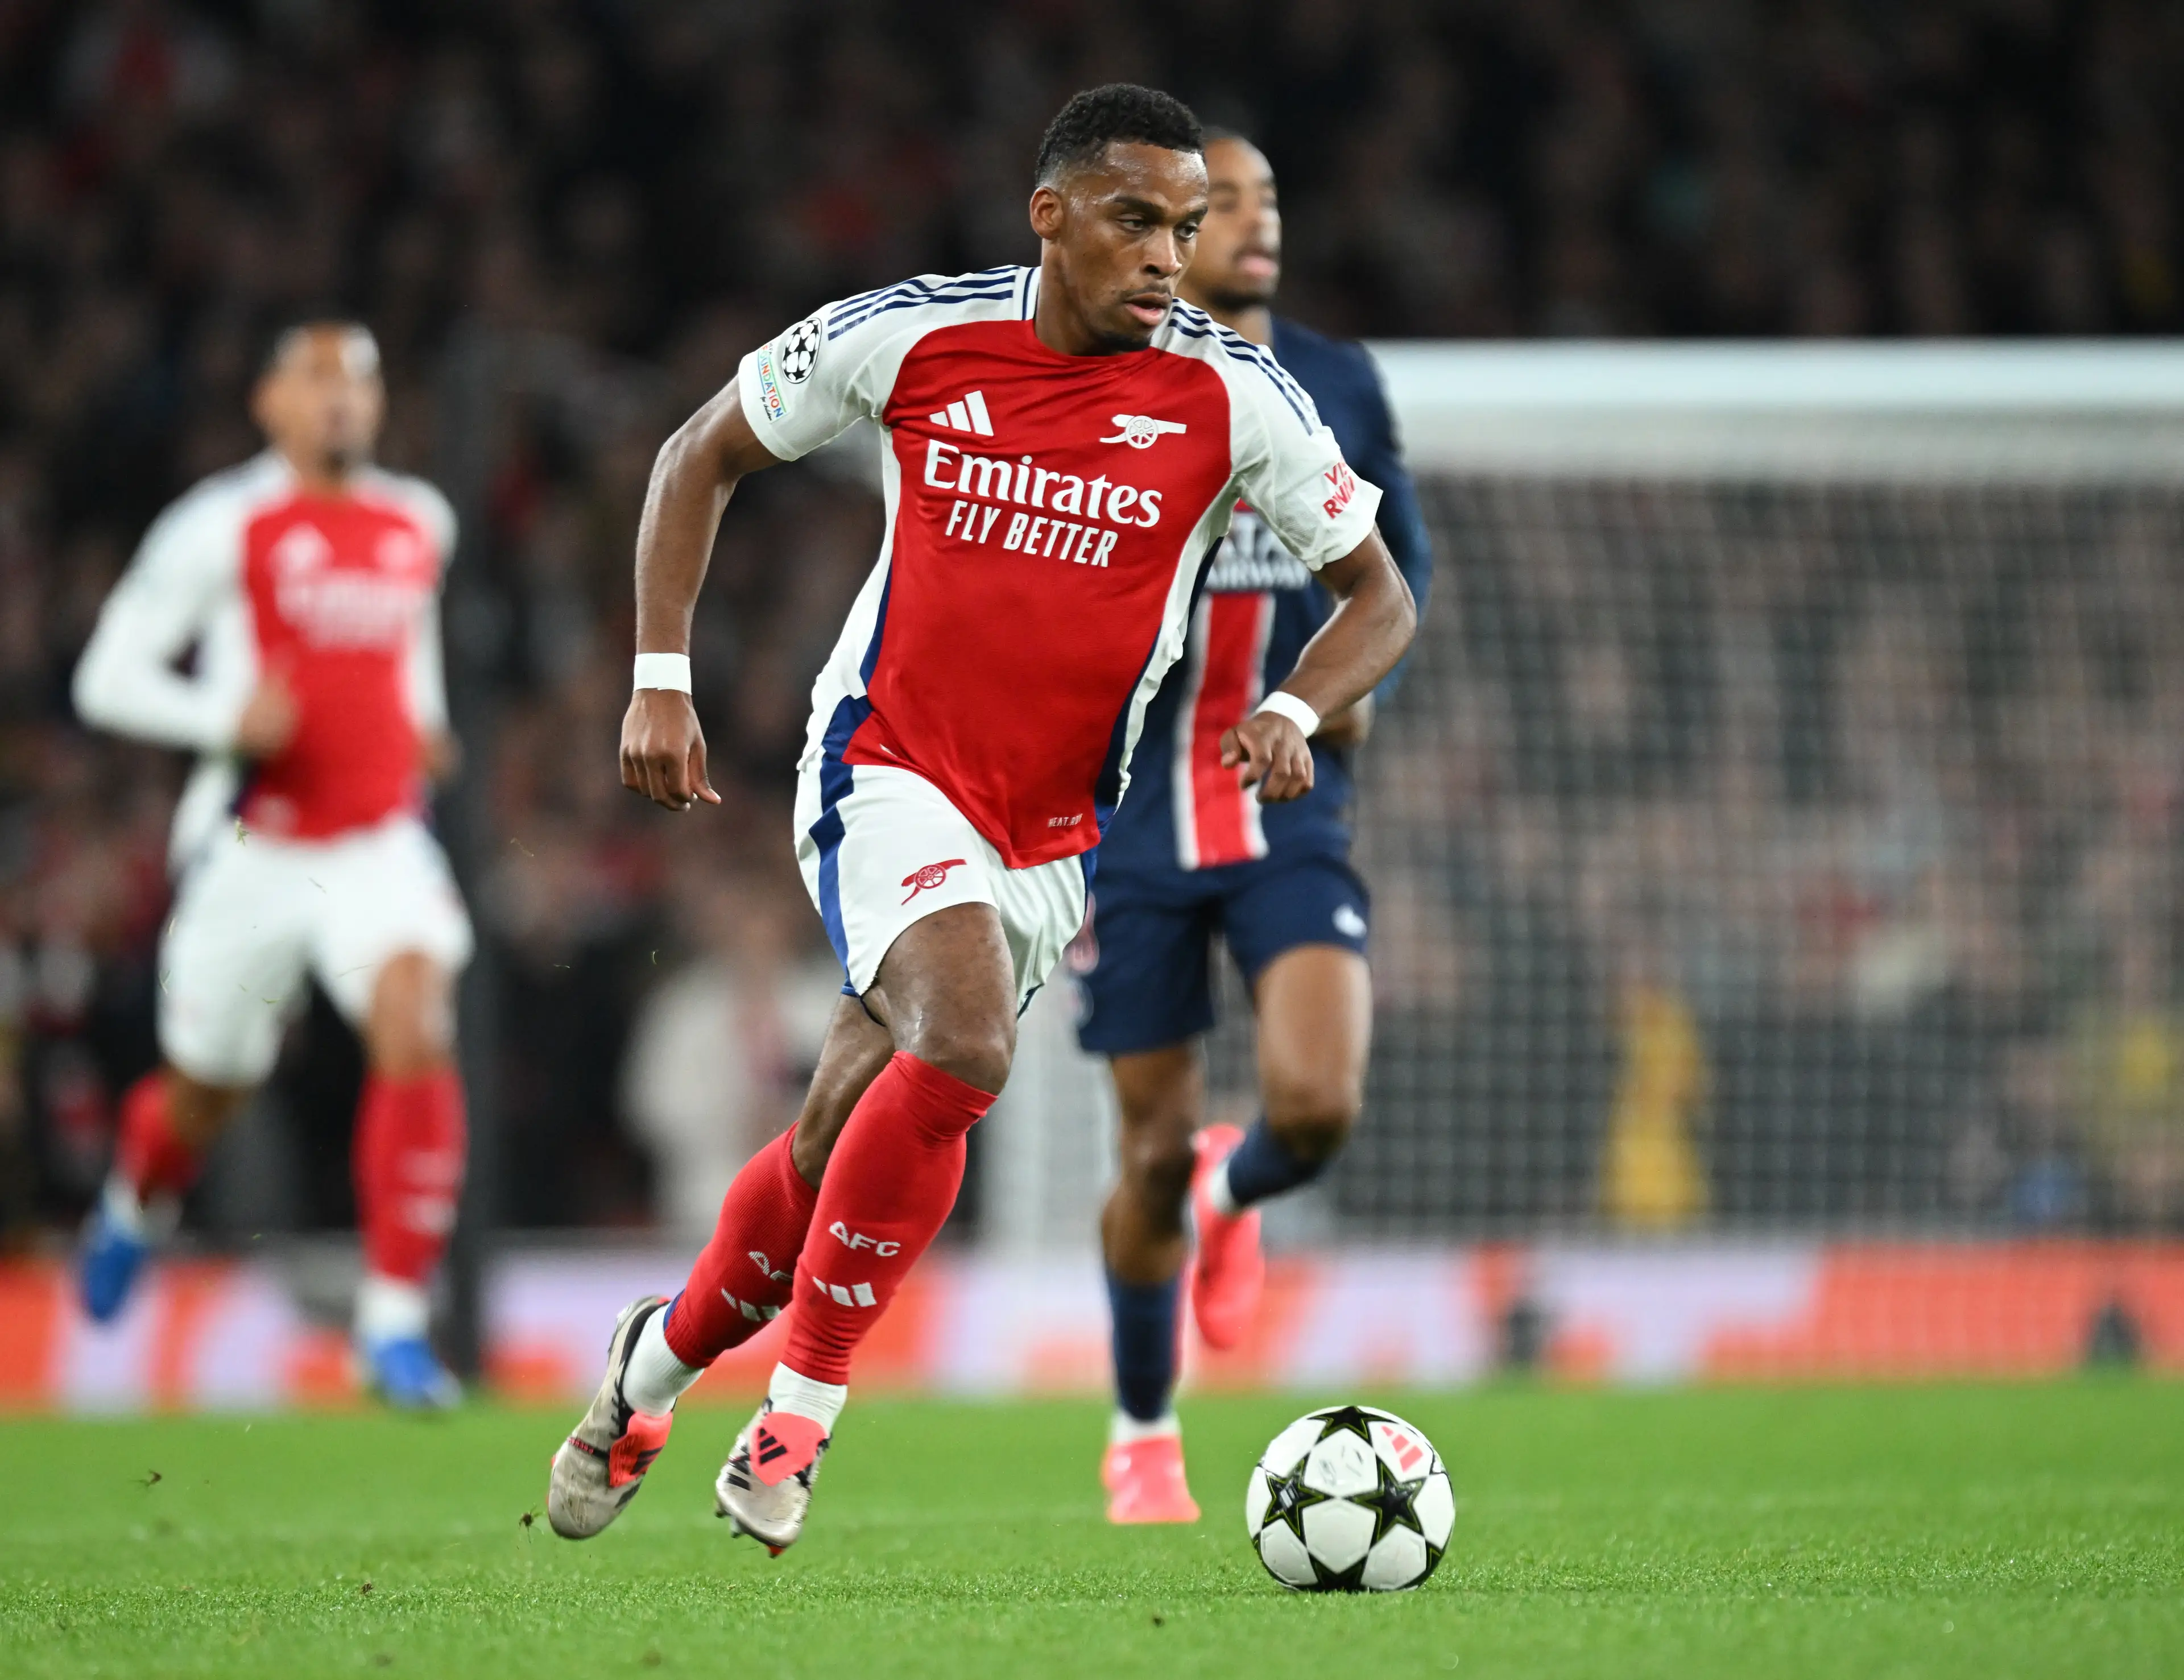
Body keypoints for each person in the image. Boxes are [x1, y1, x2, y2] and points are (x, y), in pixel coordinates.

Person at [547, 84, 1416, 1553]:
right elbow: (697, 451)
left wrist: (1290, 707)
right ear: (1052, 214)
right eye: (1137, 220)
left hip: (1054, 834)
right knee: (966, 1042)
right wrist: (657, 681)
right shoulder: (916, 333)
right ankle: (795, 1426)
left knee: (834, 1147)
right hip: (884, 762)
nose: (1166, 256)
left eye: (1185, 229)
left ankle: (656, 1365)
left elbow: (1379, 592)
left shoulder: (1231, 397)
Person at [1068, 131, 1435, 1522]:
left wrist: (1342, 698)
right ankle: (1142, 1429)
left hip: (1291, 797)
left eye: (1274, 197)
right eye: (1227, 203)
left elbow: (1400, 578)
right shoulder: (1109, 381)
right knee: (1147, 1150)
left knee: (1320, 1105)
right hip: (1133, 822)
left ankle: (1241, 1195)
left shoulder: (1338, 385)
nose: (1256, 222)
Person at [71, 320, 474, 1410]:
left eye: (360, 384)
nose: (341, 401)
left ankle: (392, 1324)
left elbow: (409, 653)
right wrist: (220, 714)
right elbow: (106, 675)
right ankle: (133, 1202)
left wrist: (423, 724)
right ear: (270, 403)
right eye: (317, 381)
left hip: (379, 840)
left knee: (415, 1012)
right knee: (207, 1091)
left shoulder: (415, 519)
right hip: (253, 847)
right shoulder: (222, 524)